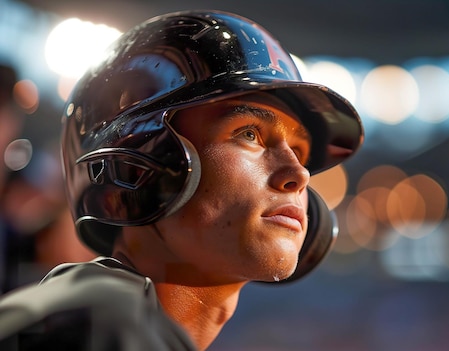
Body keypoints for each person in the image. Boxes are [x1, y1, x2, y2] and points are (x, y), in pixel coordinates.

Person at [0, 9, 363, 351]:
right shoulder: (95, 318)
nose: (298, 174)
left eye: (299, 152)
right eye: (249, 134)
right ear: (135, 167)